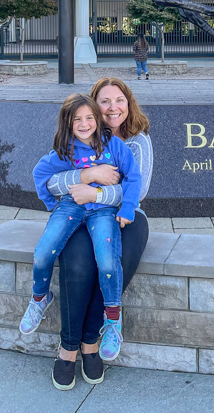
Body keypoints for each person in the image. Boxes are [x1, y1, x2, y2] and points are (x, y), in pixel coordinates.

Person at [26, 93, 142, 389]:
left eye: (88, 117)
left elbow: (133, 179)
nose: (85, 123)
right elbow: (44, 176)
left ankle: (110, 322)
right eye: (78, 118)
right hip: (71, 208)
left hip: (105, 212)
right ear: (68, 122)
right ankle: (41, 300)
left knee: (107, 260)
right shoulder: (65, 150)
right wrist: (59, 198)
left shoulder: (119, 145)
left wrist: (125, 206)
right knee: (49, 255)